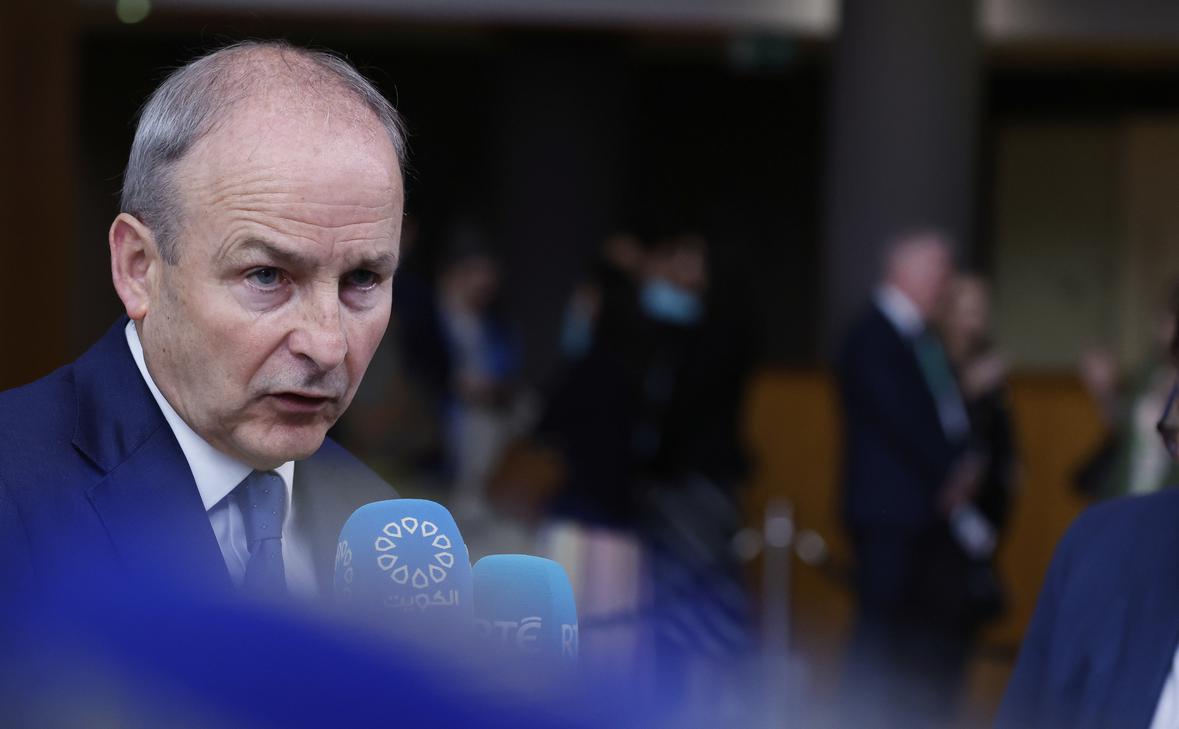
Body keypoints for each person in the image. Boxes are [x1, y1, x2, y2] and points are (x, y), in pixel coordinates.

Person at [0, 41, 404, 601]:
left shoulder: (387, 533)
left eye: (362, 279)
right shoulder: (13, 491)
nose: (328, 345)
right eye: (267, 276)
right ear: (139, 268)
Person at [836, 229, 982, 726]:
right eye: (939, 269)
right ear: (906, 271)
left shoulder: (922, 337)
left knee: (916, 642)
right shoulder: (872, 334)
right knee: (879, 638)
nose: (946, 281)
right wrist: (951, 467)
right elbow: (899, 417)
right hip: (891, 511)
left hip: (924, 511)